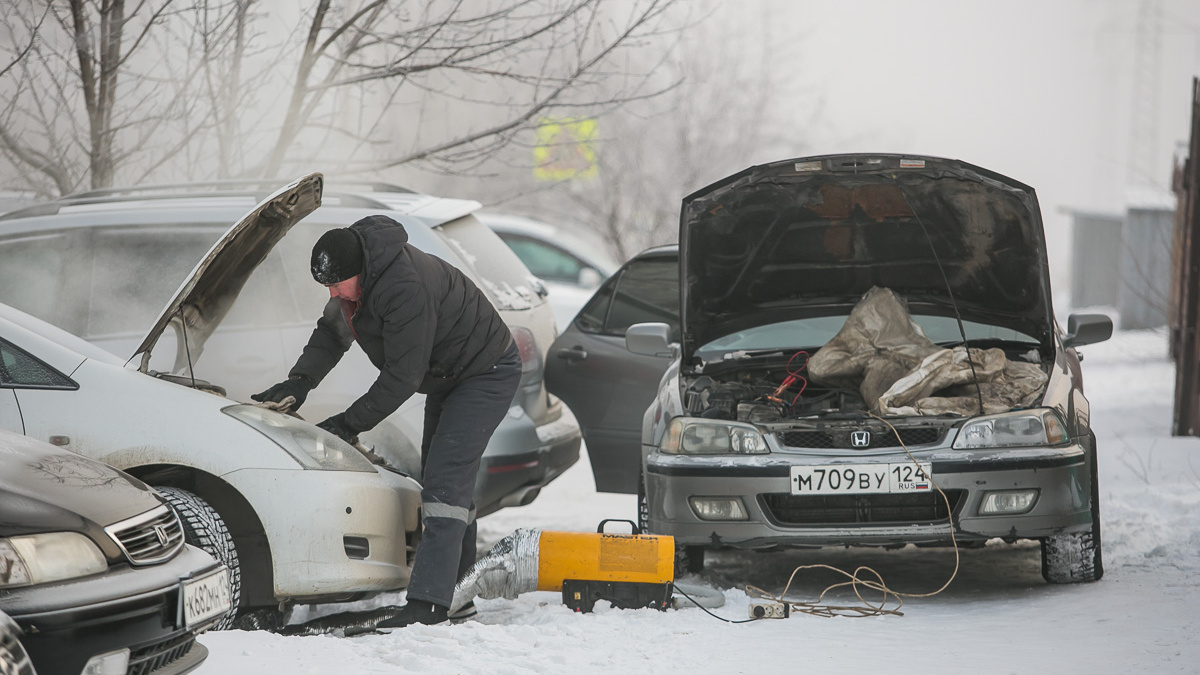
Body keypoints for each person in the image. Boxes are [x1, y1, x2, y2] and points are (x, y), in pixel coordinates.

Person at [252, 215, 520, 628]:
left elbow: (402, 377)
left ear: (361, 272)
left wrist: (348, 422)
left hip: (485, 370)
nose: (332, 292)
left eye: (337, 284)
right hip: (448, 374)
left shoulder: (402, 288)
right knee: (445, 482)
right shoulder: (355, 280)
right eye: (328, 286)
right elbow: (330, 334)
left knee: (445, 484)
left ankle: (429, 604)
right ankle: (457, 596)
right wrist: (299, 381)